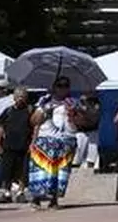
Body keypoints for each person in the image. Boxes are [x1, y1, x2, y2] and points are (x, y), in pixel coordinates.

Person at [28, 76, 81, 209]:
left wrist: (73, 114)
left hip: (66, 140)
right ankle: (36, 198)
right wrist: (45, 111)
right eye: (59, 85)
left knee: (60, 172)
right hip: (45, 139)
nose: (63, 88)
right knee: (41, 170)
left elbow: (83, 122)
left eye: (66, 85)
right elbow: (34, 122)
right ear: (54, 87)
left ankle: (54, 200)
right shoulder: (44, 101)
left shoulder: (73, 102)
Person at [0, 87, 34, 202]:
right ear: (14, 98)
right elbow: (0, 127)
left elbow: (35, 127)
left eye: (23, 96)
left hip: (24, 145)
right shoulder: (8, 111)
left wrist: (32, 143)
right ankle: (6, 193)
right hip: (9, 145)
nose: (20, 99)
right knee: (7, 170)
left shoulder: (30, 110)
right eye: (18, 96)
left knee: (22, 170)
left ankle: (21, 192)